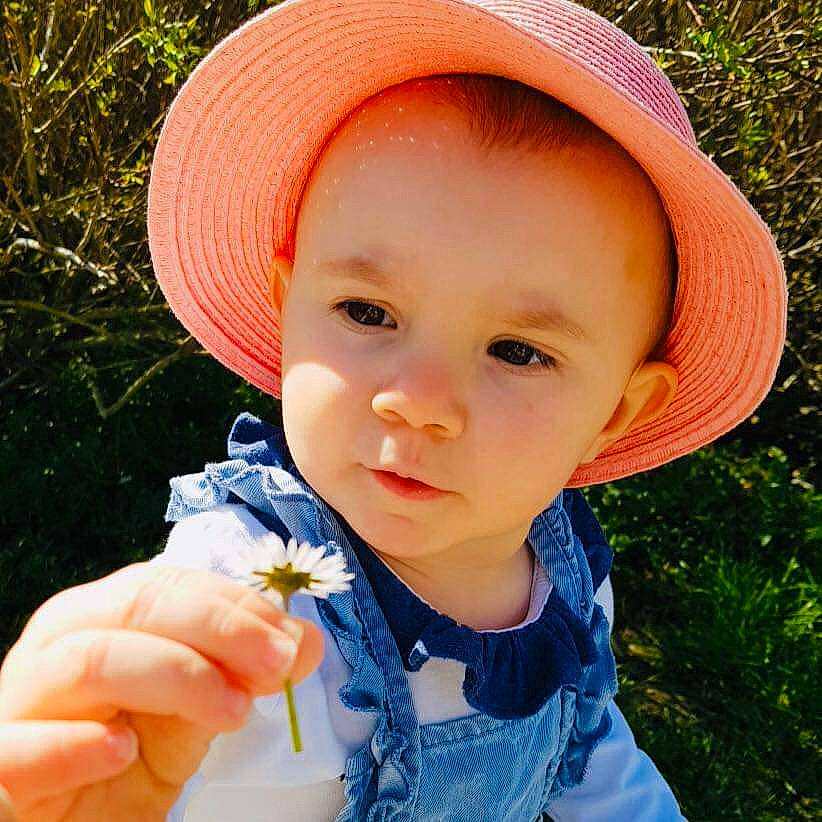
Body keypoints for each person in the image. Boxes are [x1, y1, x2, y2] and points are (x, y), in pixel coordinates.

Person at [0, 0, 787, 819]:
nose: (417, 404)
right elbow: (138, 757)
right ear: (288, 307)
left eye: (518, 352)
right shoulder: (255, 592)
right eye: (367, 312)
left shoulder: (564, 579)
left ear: (617, 412)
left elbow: (585, 750)